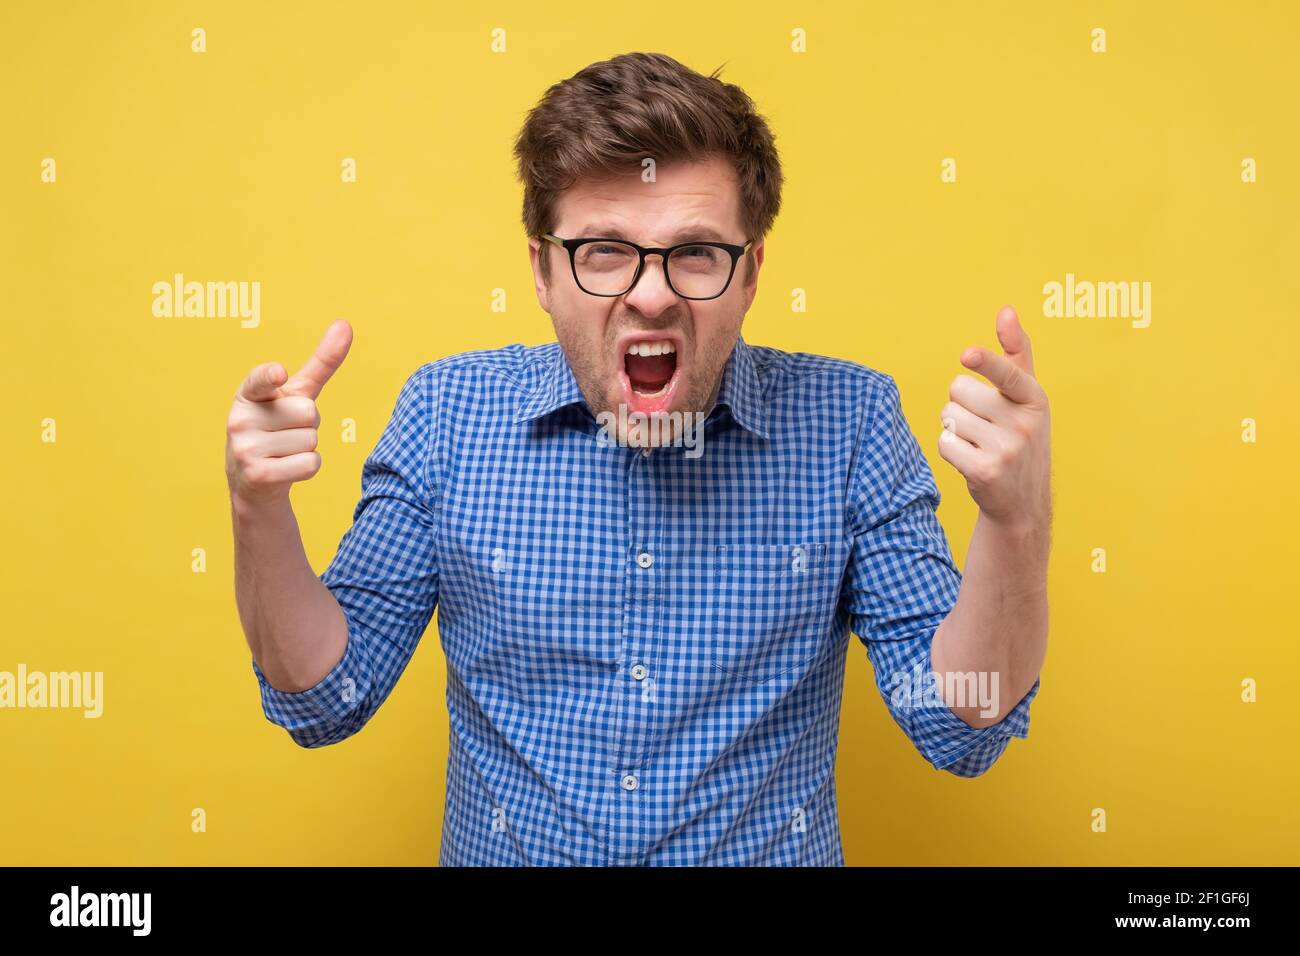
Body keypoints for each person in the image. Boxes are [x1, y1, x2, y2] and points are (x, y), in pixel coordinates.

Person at [225, 52, 1052, 866]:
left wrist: (1017, 526)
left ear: (752, 273)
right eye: (604, 251)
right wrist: (256, 512)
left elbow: (959, 723)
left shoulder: (851, 422)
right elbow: (326, 699)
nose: (651, 294)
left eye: (696, 252)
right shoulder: (446, 415)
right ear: (543, 272)